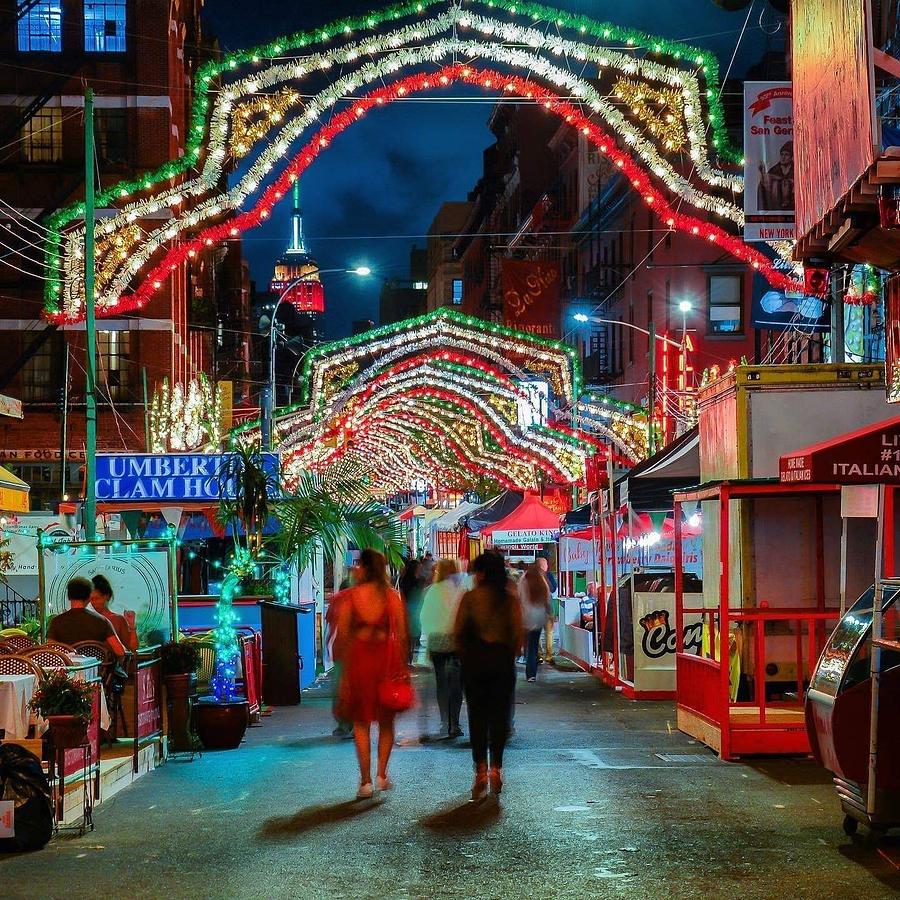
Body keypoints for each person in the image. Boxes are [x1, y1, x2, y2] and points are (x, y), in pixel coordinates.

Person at [335, 549, 409, 799]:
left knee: (361, 722)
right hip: (385, 662)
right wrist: (402, 667)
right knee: (386, 722)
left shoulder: (351, 597)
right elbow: (401, 635)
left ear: (365, 568)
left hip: (359, 662)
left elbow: (343, 635)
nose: (355, 568)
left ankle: (365, 781)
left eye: (358, 564)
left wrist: (343, 671)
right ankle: (381, 775)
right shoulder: (391, 597)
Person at [454, 551, 523, 800]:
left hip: (475, 663)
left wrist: (466, 655)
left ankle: (480, 770)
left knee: (477, 717)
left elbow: (458, 632)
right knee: (500, 717)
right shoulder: (510, 599)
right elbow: (518, 636)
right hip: (502, 664)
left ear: (482, 573)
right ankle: (497, 768)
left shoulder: (471, 598)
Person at [419, 558, 464, 739]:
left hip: (437, 642)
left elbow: (424, 617)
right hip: (456, 642)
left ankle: (445, 720)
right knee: (457, 684)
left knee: (441, 683)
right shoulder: (460, 591)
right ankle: (455, 723)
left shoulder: (430, 591)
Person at [48, 577, 126, 660]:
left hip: (69, 671)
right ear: (89, 597)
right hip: (97, 671)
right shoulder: (102, 621)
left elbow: (50, 651)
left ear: (68, 597)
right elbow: (120, 651)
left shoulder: (56, 622)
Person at [519, 562, 552, 682]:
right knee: (534, 644)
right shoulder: (541, 580)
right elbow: (548, 598)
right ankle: (532, 672)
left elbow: (519, 597)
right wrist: (549, 613)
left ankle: (530, 672)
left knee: (529, 646)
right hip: (539, 617)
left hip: (526, 618)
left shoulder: (523, 580)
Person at [89, 574, 138, 652]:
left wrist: (132, 626)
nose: (94, 603)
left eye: (97, 598)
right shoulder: (88, 619)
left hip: (113, 663)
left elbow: (132, 647)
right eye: (91, 599)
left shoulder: (118, 619)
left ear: (107, 596)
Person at [398, 557, 424, 664]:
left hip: (406, 608)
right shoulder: (416, 581)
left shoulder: (404, 579)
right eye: (419, 568)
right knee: (411, 636)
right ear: (415, 569)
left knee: (408, 636)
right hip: (412, 610)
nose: (420, 570)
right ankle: (408, 658)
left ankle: (408, 658)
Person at [536, 557, 557, 664]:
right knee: (549, 633)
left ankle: (540, 655)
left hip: (537, 610)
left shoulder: (532, 576)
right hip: (546, 609)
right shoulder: (548, 576)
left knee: (538, 634)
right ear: (544, 566)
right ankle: (548, 655)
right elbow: (553, 588)